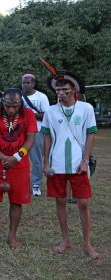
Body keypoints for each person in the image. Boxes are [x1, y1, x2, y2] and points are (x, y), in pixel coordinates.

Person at [41, 70, 102, 259]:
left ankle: (87, 244)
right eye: (58, 90)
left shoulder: (86, 109)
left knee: (83, 203)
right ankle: (65, 240)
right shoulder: (50, 111)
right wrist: (45, 162)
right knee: (60, 201)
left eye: (65, 89)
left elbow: (91, 134)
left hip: (78, 164)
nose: (61, 93)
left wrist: (85, 161)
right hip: (57, 164)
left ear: (74, 90)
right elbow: (47, 136)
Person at [0, 88, 36, 249]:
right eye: (8, 106)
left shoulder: (28, 114)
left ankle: (12, 235)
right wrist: (2, 156)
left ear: (20, 104)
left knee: (16, 200)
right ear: (2, 103)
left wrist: (17, 157)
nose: (11, 110)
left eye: (15, 106)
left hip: (20, 163)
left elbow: (30, 139)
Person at [21, 73, 50, 196]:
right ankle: (20, 183)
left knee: (36, 159)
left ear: (33, 83)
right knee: (19, 159)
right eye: (23, 82)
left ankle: (36, 185)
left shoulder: (41, 97)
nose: (25, 85)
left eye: (28, 82)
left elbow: (47, 115)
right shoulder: (18, 96)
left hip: (36, 131)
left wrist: (30, 115)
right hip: (19, 131)